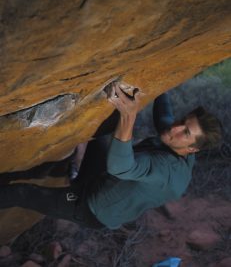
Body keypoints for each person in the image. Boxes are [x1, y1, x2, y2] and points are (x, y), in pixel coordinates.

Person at [0, 82, 222, 229]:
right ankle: (50, 169)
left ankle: (62, 178)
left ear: (194, 149)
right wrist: (159, 85)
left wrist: (129, 115)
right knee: (105, 131)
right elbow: (164, 117)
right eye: (183, 121)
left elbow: (122, 167)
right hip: (103, 177)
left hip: (88, 206)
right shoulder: (179, 143)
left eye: (185, 132)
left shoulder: (166, 170)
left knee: (23, 193)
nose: (175, 128)